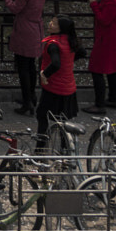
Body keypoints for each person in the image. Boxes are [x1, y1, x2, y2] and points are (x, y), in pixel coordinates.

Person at [0, 0, 46, 116]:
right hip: (37, 29)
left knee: (23, 68)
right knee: (31, 65)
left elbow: (15, 8)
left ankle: (27, 102)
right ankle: (31, 97)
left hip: (24, 30)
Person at [36, 13, 83, 146]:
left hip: (54, 88)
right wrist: (69, 60)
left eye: (54, 23)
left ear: (61, 28)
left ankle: (40, 148)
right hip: (69, 88)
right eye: (51, 21)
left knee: (42, 116)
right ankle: (65, 151)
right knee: (65, 122)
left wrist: (45, 74)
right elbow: (82, 53)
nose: (50, 24)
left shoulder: (53, 44)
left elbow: (56, 63)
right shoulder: (72, 41)